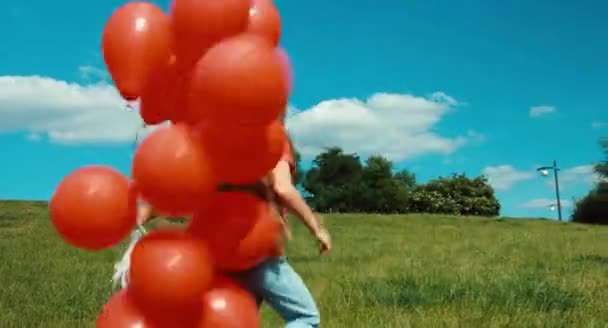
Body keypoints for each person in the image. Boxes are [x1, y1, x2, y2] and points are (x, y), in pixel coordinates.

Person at [134, 121, 331, 328]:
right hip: (261, 252)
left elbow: (186, 192)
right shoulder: (270, 136)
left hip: (218, 254)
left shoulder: (211, 142)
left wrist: (143, 212)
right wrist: (317, 228)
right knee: (306, 317)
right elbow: (282, 188)